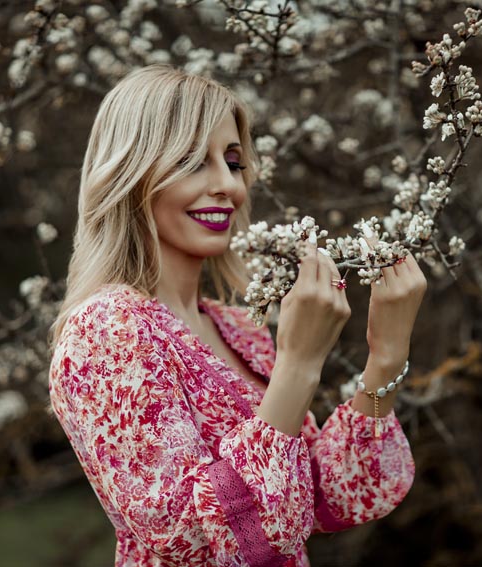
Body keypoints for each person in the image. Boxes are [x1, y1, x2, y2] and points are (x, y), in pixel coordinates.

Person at [47, 64, 426, 567]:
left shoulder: (239, 329)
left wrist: (386, 357)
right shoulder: (106, 330)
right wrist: (298, 365)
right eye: (192, 162)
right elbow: (191, 537)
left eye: (233, 162)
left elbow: (327, 497)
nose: (228, 184)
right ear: (131, 175)